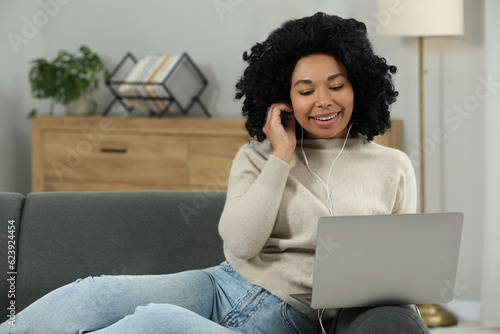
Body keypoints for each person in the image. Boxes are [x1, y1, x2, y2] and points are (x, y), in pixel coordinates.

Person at [0, 12, 429, 334]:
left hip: (291, 317)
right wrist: (281, 154)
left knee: (158, 322)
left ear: (359, 87)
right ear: (283, 97)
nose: (323, 100)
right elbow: (241, 244)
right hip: (221, 283)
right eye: (305, 90)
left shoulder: (392, 167)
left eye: (336, 85)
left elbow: (395, 271)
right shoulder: (258, 156)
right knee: (93, 291)